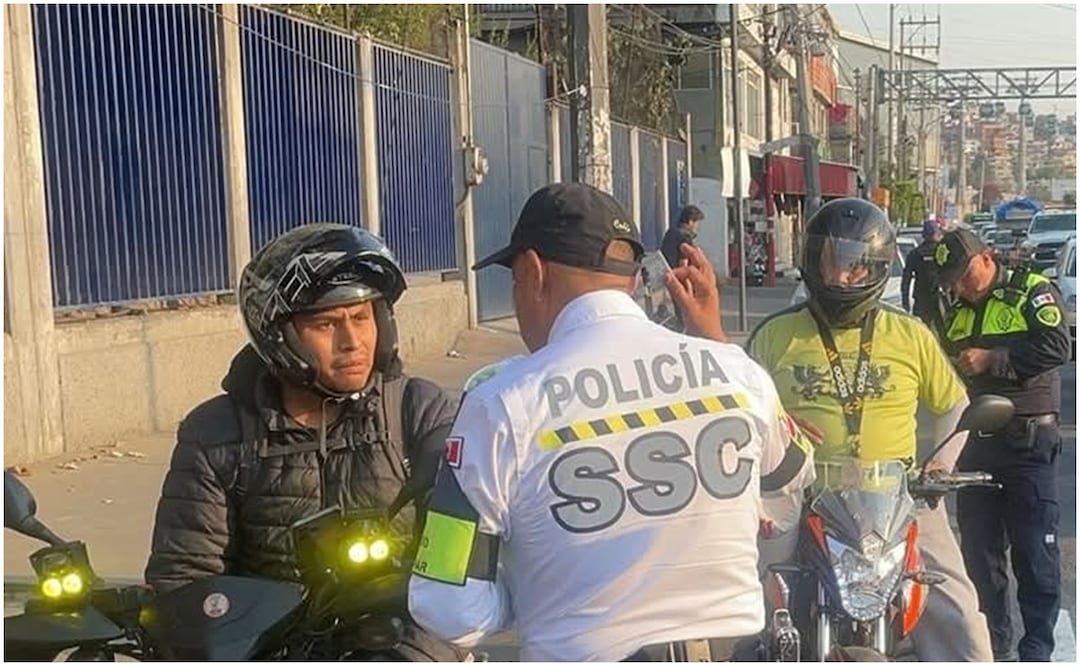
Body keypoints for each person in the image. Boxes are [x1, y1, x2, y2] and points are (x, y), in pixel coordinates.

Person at [407, 183, 814, 662]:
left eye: (514, 281)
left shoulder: (497, 405)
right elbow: (790, 486)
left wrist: (534, 591)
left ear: (534, 272)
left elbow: (446, 605)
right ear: (630, 278)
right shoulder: (741, 373)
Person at [144, 223, 462, 661]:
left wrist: (408, 653)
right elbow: (185, 581)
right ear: (280, 337)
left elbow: (458, 570)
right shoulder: (215, 434)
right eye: (326, 323)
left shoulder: (417, 412)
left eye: (362, 317)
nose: (352, 342)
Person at [744, 198, 994, 662]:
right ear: (810, 260)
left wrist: (940, 464)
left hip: (899, 495)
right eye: (829, 262)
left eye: (854, 267)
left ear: (875, 267)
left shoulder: (911, 333)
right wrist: (775, 424)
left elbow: (956, 402)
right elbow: (741, 408)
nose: (839, 277)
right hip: (801, 494)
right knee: (744, 594)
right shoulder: (775, 334)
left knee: (961, 615)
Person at [934, 228, 1071, 662]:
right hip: (976, 446)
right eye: (953, 280)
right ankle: (994, 645)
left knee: (1034, 555)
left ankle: (1036, 651)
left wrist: (994, 359)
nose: (960, 285)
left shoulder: (1031, 291)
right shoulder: (954, 313)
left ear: (987, 258)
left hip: (1027, 444)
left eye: (965, 274)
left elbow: (1057, 346)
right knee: (980, 555)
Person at [901, 218, 946, 332]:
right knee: (944, 331)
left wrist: (905, 301)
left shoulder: (915, 253)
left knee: (920, 331)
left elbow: (906, 279)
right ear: (936, 233)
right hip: (940, 298)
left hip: (921, 299)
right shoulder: (943, 252)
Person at [660, 204, 704, 269]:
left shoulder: (670, 232)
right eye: (697, 223)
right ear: (690, 222)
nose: (698, 226)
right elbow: (683, 265)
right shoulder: (685, 237)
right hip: (675, 274)